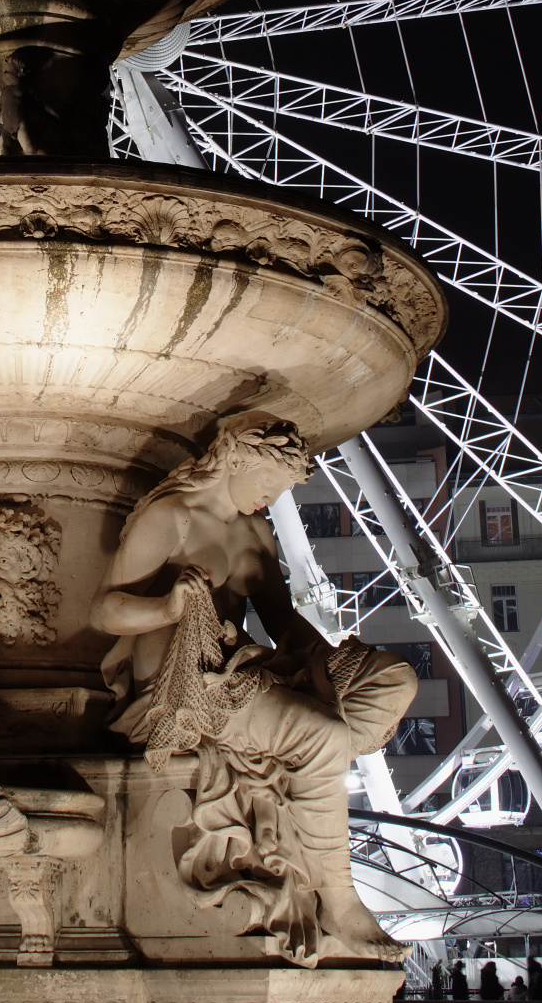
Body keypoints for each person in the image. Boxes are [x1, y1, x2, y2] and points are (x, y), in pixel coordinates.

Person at [91, 411, 417, 966]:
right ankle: (336, 895)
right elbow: (104, 610)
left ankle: (304, 782)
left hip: (243, 669)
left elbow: (282, 620)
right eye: (268, 484)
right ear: (234, 461)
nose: (271, 498)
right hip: (181, 684)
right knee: (320, 737)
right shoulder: (172, 518)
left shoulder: (256, 534)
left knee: (394, 679)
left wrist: (331, 662)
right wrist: (168, 607)